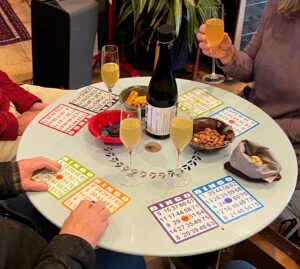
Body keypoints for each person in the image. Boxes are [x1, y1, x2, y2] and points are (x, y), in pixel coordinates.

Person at [197, 0, 300, 189]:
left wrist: (265, 126)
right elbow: (249, 68)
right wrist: (228, 54)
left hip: (288, 140)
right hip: (250, 114)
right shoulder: (280, 4)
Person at [0, 157, 147, 269]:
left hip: (11, 222)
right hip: (34, 259)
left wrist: (6, 176)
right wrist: (74, 243)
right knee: (130, 261)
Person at [0, 70, 74, 161]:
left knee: (80, 100)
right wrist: (17, 124)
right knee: (63, 144)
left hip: (6, 100)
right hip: (4, 130)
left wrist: (30, 104)